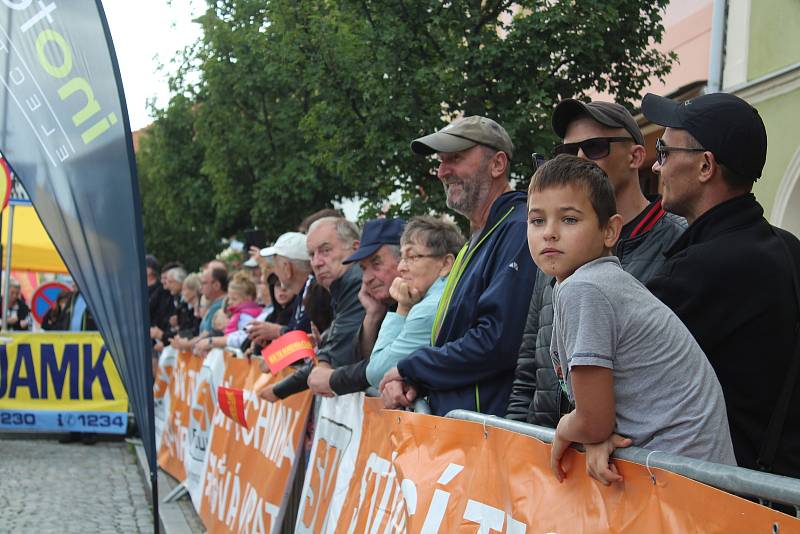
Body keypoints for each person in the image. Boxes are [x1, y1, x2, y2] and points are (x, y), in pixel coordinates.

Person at [527, 155, 734, 485]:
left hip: (680, 478)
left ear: (610, 231)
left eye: (568, 219)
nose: (549, 233)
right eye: (537, 221)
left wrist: (570, 427)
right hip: (684, 470)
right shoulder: (595, 281)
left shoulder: (585, 288)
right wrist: (596, 432)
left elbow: (593, 419)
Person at [642, 92, 800, 481]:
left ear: (705, 166)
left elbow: (619, 378)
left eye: (663, 151)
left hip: (726, 498)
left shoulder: (701, 269)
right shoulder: (787, 247)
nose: (656, 166)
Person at [507, 99, 686, 425]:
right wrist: (517, 442)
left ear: (636, 156)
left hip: (632, 458)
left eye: (594, 147)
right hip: (554, 450)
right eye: (566, 150)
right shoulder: (552, 247)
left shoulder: (680, 242)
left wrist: (590, 430)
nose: (577, 159)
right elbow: (531, 365)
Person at [380, 116, 538, 417]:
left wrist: (413, 368)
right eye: (440, 161)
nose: (442, 171)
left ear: (497, 164)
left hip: (493, 436)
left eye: (455, 158)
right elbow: (454, 340)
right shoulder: (474, 242)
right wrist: (422, 381)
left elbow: (496, 342)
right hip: (463, 431)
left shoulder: (519, 228)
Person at [261, 217, 364, 401]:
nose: (316, 262)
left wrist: (323, 356)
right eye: (311, 254)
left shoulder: (354, 283)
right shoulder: (336, 287)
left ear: (355, 249)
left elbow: (338, 351)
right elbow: (331, 344)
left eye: (325, 250)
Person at [307, 218, 405, 396]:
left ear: (404, 260)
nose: (366, 278)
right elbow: (369, 359)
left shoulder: (421, 301)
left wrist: (333, 379)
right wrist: (372, 316)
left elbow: (381, 366)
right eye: (363, 268)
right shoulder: (384, 303)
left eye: (376, 264)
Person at [367, 216, 463, 388]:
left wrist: (402, 308)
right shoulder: (453, 292)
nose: (401, 267)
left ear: (445, 264)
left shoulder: (429, 308)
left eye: (412, 257)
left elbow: (375, 372)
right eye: (402, 258)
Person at [201, 271, 262, 352]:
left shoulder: (245, 317)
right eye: (229, 298)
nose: (229, 302)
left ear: (248, 298)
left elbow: (243, 337)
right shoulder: (239, 314)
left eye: (234, 299)